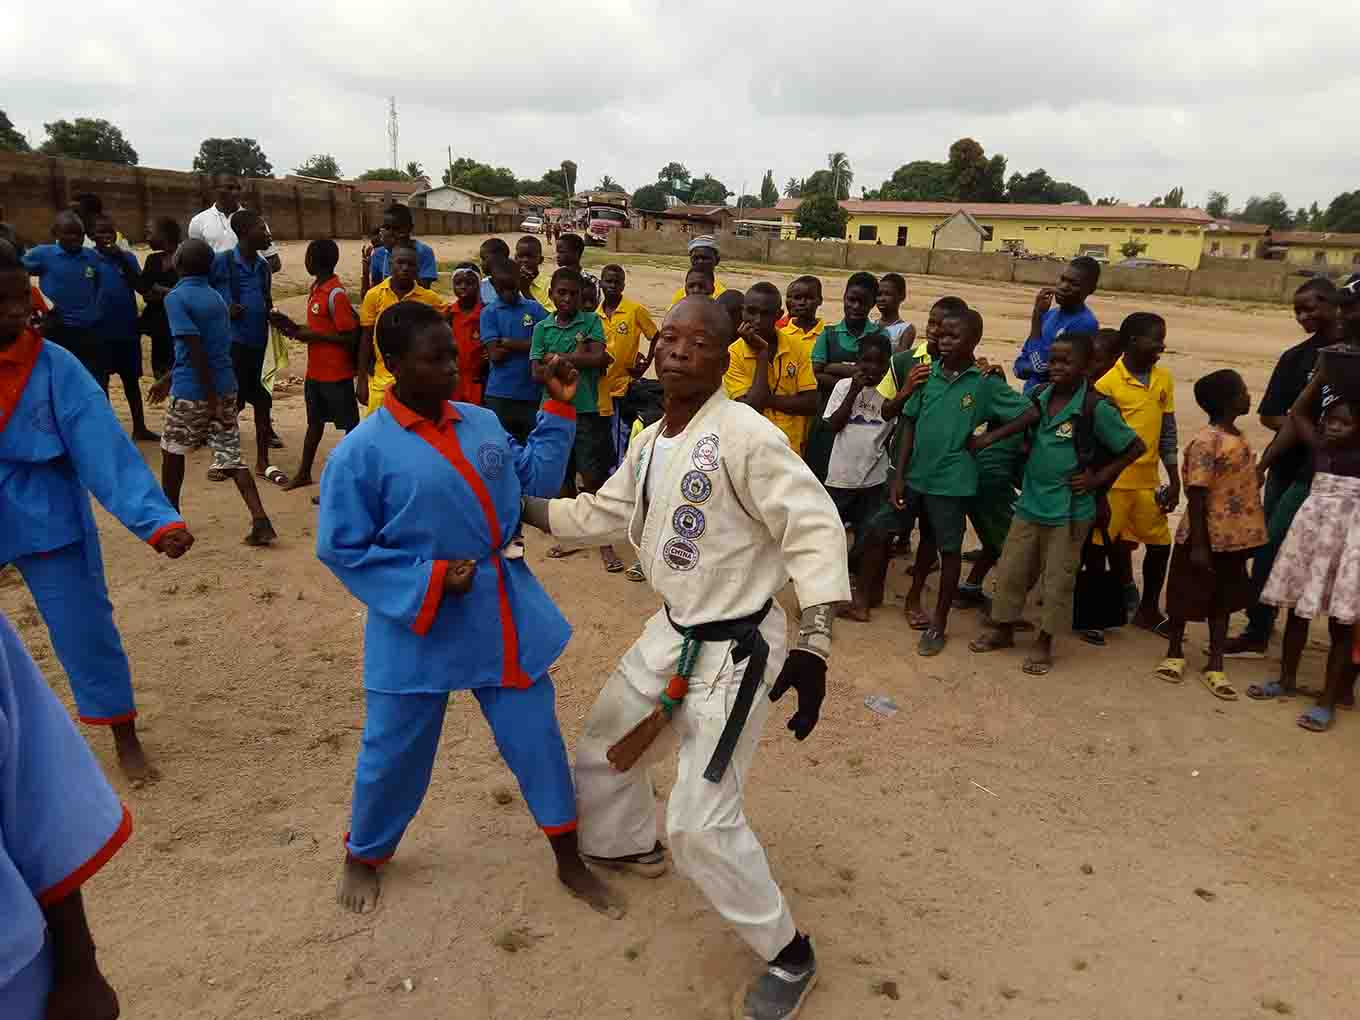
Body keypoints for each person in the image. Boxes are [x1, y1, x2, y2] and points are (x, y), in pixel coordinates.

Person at [522, 296, 850, 1020]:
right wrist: (516, 505)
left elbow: (815, 528)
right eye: (668, 337)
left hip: (735, 648)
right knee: (604, 743)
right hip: (673, 631)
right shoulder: (649, 440)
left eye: (698, 343)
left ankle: (789, 953)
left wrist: (816, 644)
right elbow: (601, 514)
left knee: (701, 823)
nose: (676, 350)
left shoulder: (747, 436)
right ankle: (628, 844)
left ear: (724, 357)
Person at [316, 302, 621, 918]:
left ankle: (567, 856)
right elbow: (342, 547)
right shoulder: (362, 452)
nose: (452, 368)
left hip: (498, 610)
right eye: (435, 359)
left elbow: (533, 480)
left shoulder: (481, 422)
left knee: (536, 737)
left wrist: (558, 408)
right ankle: (364, 854)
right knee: (393, 750)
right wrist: (428, 579)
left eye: (453, 356)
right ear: (393, 363)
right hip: (417, 622)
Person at [1, 242, 194, 782]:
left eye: (19, 298)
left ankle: (123, 734)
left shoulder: (55, 367)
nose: (15, 311)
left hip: (47, 512)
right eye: (1, 302)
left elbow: (103, 449)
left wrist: (157, 521)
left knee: (84, 626)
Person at [968, 334, 1143, 674]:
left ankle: (1044, 641)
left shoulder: (1095, 408)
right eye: (1053, 360)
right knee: (1012, 569)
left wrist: (1097, 479)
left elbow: (1134, 447)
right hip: (1031, 503)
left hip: (1069, 511)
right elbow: (1020, 423)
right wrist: (988, 438)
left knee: (1058, 579)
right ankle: (1003, 628)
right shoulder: (1039, 396)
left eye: (1066, 361)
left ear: (1086, 367)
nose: (1056, 367)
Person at [0, 612, 131, 1020]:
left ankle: (124, 728)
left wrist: (79, 967)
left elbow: (34, 789)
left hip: (11, 974)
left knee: (83, 620)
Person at [887, 308, 1031, 655]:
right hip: (919, 475)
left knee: (949, 551)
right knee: (925, 542)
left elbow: (1029, 412)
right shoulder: (926, 376)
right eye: (941, 334)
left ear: (973, 341)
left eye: (954, 336)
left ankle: (939, 623)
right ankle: (913, 598)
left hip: (952, 481)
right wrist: (900, 475)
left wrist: (986, 439)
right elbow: (908, 424)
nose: (943, 340)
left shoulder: (983, 384)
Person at [1225, 278, 1342, 658]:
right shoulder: (1297, 358)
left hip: (1331, 474)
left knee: (1305, 552)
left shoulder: (1347, 358)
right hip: (1289, 466)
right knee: (1266, 545)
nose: (1303, 316)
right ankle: (1259, 626)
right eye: (1297, 311)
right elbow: (1274, 414)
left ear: (1334, 305)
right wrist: (1307, 432)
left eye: (1310, 308)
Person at [845, 296, 964, 623]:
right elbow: (886, 410)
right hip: (903, 463)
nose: (937, 331)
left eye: (946, 327)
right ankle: (867, 595)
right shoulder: (904, 362)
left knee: (929, 536)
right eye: (933, 323)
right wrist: (907, 388)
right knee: (881, 529)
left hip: (940, 470)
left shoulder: (967, 371)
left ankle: (914, 599)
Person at [150, 239, 275, 547]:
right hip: (225, 385)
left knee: (172, 453)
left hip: (193, 391)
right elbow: (207, 347)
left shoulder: (176, 298)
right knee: (230, 455)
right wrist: (171, 379)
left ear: (178, 263)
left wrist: (206, 396)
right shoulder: (216, 298)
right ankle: (260, 520)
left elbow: (194, 350)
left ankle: (170, 519)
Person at [1257, 359, 1360, 732]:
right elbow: (1298, 413)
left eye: (1345, 423)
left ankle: (1327, 700)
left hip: (1348, 545)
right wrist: (1320, 379)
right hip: (1311, 537)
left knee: (1341, 624)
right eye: (1330, 420)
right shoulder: (1319, 448)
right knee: (1297, 614)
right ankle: (1286, 679)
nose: (1334, 426)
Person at [1151, 370, 1265, 699]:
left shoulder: (1239, 437)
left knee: (1222, 600)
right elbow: (1198, 493)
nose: (1248, 396)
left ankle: (1215, 662)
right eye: (1242, 392)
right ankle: (1174, 652)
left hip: (1232, 539)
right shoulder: (1207, 441)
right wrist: (1199, 544)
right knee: (1184, 595)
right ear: (1227, 401)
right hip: (1201, 536)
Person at [1095, 312, 1181, 630]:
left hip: (1147, 482)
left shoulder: (1164, 379)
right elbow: (1099, 439)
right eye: (1155, 339)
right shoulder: (1108, 383)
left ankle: (1148, 610)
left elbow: (1168, 433)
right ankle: (1096, 614)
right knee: (1099, 546)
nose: (1161, 346)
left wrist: (1174, 479)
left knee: (1160, 544)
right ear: (1132, 341)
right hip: (1114, 483)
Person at [529, 268, 616, 565]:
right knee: (562, 476)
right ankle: (569, 536)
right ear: (551, 295)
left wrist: (554, 359)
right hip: (553, 412)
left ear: (582, 296)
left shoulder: (591, 321)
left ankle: (603, 539)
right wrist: (578, 356)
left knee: (592, 476)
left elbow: (598, 357)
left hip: (586, 410)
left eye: (573, 293)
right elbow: (536, 373)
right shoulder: (542, 328)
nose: (567, 298)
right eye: (561, 293)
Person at [268, 239, 360, 492]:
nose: (306, 261)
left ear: (317, 261)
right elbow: (320, 328)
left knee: (351, 428)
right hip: (316, 373)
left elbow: (349, 336)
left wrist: (311, 335)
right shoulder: (316, 288)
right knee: (315, 423)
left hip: (337, 373)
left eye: (308, 257)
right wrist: (292, 327)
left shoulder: (335, 294)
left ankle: (353, 478)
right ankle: (304, 473)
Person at [210, 208, 282, 480]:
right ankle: (223, 460)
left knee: (263, 402)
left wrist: (273, 316)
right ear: (243, 232)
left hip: (259, 345)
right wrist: (224, 308)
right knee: (231, 403)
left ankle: (263, 461)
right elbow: (204, 292)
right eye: (262, 229)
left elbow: (266, 299)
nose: (268, 235)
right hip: (233, 344)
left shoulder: (263, 267)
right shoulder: (222, 262)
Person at [823, 331, 894, 572]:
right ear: (856, 361)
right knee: (830, 526)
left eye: (880, 362)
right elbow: (833, 425)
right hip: (840, 475)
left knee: (867, 530)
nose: (872, 368)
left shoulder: (891, 392)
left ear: (888, 364)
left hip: (873, 477)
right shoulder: (843, 387)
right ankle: (827, 569)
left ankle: (855, 567)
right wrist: (854, 391)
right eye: (866, 361)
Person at [806, 272, 886, 480]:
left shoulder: (879, 335)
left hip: (865, 421)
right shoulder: (829, 334)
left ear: (872, 304)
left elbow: (880, 377)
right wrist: (855, 379)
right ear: (844, 298)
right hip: (828, 416)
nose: (855, 307)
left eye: (863, 302)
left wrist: (833, 367)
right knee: (821, 474)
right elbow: (816, 374)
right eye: (851, 300)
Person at [723, 282, 819, 454]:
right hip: (751, 448)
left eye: (766, 314)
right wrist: (762, 353)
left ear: (779, 315)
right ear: (742, 312)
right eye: (751, 312)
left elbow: (810, 403)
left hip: (791, 448)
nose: (758, 320)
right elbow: (751, 409)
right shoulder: (733, 354)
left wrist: (764, 399)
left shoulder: (797, 346)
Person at [357, 242, 446, 418]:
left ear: (418, 269)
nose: (405, 268)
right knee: (378, 429)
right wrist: (361, 379)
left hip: (417, 384)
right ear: (390, 264)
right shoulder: (374, 295)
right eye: (400, 263)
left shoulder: (430, 300)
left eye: (410, 264)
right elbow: (366, 338)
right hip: (381, 384)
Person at [90, 213, 157, 440]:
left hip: (127, 328)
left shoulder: (127, 258)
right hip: (101, 330)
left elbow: (141, 286)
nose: (106, 236)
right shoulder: (89, 259)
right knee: (102, 381)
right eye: (101, 232)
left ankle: (140, 427)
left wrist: (121, 258)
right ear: (92, 236)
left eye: (110, 232)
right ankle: (107, 430)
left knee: (131, 381)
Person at [20, 212, 105, 381]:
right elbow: (16, 273)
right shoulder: (43, 254)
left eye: (79, 234)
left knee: (93, 376)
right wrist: (37, 305)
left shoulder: (92, 256)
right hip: (57, 328)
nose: (75, 238)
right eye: (69, 233)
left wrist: (95, 311)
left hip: (89, 329)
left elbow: (98, 285)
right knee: (57, 375)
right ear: (55, 233)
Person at [481, 256, 549, 443]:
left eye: (513, 287)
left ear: (520, 281)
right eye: (502, 288)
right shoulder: (489, 312)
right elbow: (495, 355)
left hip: (531, 394)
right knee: (501, 445)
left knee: (531, 445)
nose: (508, 293)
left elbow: (548, 342)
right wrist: (531, 346)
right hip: (499, 395)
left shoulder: (534, 309)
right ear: (493, 284)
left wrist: (507, 342)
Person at [597, 263, 659, 465]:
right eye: (608, 281)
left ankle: (617, 470)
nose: (612, 286)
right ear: (601, 283)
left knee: (620, 432)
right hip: (599, 385)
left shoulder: (634, 310)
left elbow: (655, 336)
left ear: (623, 286)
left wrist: (646, 363)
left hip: (622, 385)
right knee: (602, 431)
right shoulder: (595, 315)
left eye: (617, 282)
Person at [1013, 257, 1100, 393]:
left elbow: (1040, 367)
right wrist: (1029, 368)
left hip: (1051, 399)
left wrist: (1037, 318)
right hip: (1030, 396)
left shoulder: (1084, 323)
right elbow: (1020, 365)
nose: (1063, 287)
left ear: (1090, 289)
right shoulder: (1050, 314)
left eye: (1074, 284)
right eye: (1063, 279)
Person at [188, 176, 281, 272]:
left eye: (238, 188)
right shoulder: (198, 221)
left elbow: (274, 262)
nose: (236, 192)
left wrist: (249, 276)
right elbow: (194, 260)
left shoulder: (254, 221)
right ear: (215, 190)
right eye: (230, 188)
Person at [139, 216, 181, 381]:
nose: (147, 238)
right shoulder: (153, 260)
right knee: (160, 371)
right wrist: (171, 292)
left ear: (164, 234)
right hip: (158, 327)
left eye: (150, 233)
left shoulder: (186, 259)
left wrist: (160, 290)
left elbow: (188, 293)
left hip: (179, 326)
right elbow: (146, 291)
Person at [368, 204, 438, 289]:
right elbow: (375, 288)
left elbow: (424, 288)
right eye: (386, 227)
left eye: (396, 228)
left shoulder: (423, 252)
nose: (389, 232)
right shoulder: (379, 254)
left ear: (409, 229)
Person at [446, 263, 486, 405]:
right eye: (458, 283)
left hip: (479, 380)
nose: (463, 287)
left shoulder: (486, 313)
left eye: (469, 283)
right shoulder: (448, 314)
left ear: (479, 285)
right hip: (453, 380)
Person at [667, 235, 727, 306]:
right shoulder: (681, 295)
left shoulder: (722, 298)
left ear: (717, 260)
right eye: (696, 258)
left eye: (705, 258)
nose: (700, 262)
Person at [781, 275, 826, 353]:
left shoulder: (828, 335)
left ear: (820, 300)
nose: (802, 302)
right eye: (797, 298)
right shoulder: (781, 335)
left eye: (809, 298)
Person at [875, 272, 918, 354]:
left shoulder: (906, 329)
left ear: (902, 296)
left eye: (888, 294)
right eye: (879, 294)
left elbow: (899, 358)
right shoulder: (871, 324)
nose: (882, 299)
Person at [515, 234, 554, 310]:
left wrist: (525, 291)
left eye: (530, 256)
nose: (525, 260)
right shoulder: (510, 283)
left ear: (541, 260)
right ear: (515, 258)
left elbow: (549, 316)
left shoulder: (549, 285)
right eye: (520, 256)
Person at [478, 237, 511, 305]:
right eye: (481, 259)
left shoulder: (513, 285)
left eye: (484, 259)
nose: (481, 263)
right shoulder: (481, 285)